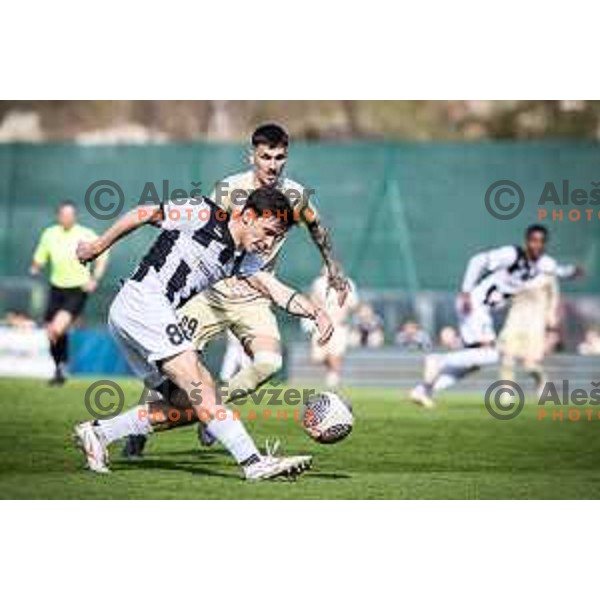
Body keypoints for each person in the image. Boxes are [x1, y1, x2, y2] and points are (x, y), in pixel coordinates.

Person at [73, 188, 334, 480]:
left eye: (276, 237)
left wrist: (316, 312)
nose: (269, 242)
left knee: (190, 403)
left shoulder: (240, 257)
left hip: (137, 314)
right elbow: (144, 213)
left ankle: (99, 433)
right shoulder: (204, 212)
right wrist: (97, 246)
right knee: (203, 390)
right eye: (268, 231)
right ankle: (254, 462)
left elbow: (273, 289)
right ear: (248, 216)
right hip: (143, 302)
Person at [124, 123, 349, 456]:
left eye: (280, 157)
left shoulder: (295, 196)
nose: (273, 164)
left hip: (255, 296)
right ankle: (137, 431)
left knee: (270, 363)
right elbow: (198, 232)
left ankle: (213, 410)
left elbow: (316, 226)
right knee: (173, 374)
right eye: (266, 156)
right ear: (252, 156)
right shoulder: (230, 189)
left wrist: (334, 269)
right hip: (211, 293)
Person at [410, 225, 582, 408]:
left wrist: (572, 272)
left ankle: (424, 390)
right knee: (494, 354)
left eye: (541, 241)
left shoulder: (543, 263)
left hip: (482, 310)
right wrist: (466, 291)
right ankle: (439, 360)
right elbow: (477, 260)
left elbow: (558, 270)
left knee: (474, 362)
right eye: (533, 240)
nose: (537, 245)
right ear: (527, 241)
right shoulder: (512, 254)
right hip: (474, 304)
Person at [30, 200, 108, 385]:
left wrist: (94, 278)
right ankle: (60, 367)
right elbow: (40, 257)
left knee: (57, 328)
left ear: (75, 216)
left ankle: (61, 367)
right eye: (64, 214)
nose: (67, 217)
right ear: (59, 216)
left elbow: (103, 254)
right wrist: (35, 266)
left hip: (78, 289)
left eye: (70, 214)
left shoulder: (85, 233)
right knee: (53, 332)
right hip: (56, 288)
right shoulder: (49, 234)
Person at [498, 272, 560, 396]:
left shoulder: (546, 273)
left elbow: (554, 296)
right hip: (515, 320)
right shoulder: (514, 269)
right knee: (506, 357)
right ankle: (506, 393)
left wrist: (551, 318)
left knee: (529, 365)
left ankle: (541, 380)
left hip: (535, 323)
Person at [307, 264, 359, 388]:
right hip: (322, 324)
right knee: (317, 358)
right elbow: (313, 300)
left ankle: (333, 378)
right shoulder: (319, 283)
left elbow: (354, 304)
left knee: (335, 353)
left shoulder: (347, 283)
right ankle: (331, 373)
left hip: (339, 325)